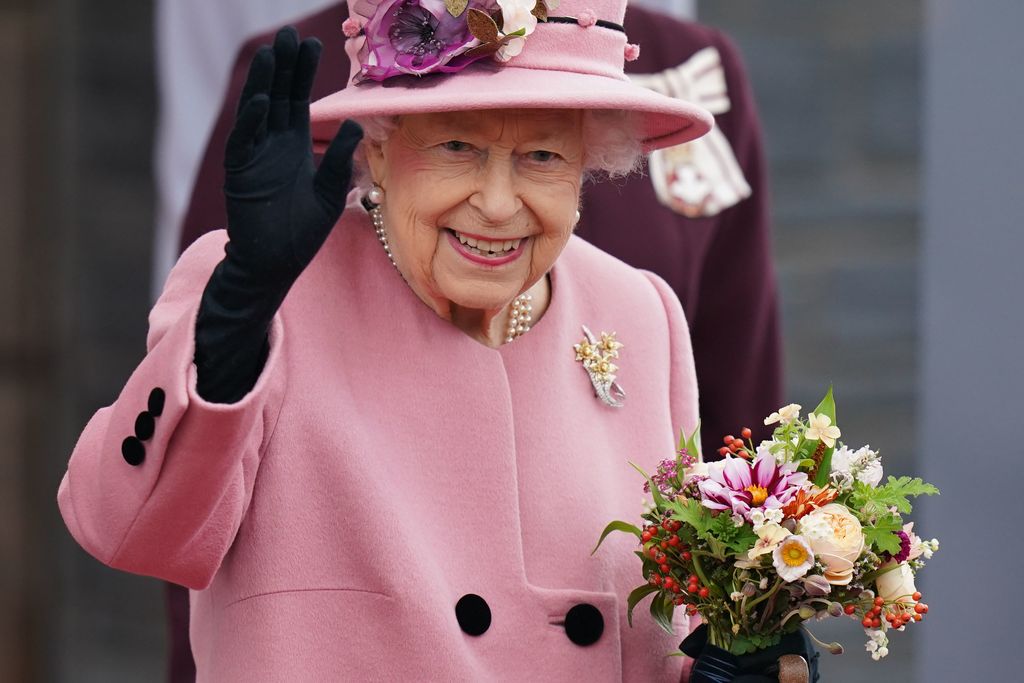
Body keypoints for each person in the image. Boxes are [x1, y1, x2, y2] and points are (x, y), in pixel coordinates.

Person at [59, 0, 718, 677]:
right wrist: (237, 317)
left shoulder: (640, 315)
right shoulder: (267, 294)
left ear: (588, 162)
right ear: (378, 144)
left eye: (542, 155)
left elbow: (678, 624)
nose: (497, 202)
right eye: (457, 146)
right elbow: (131, 532)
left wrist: (734, 663)